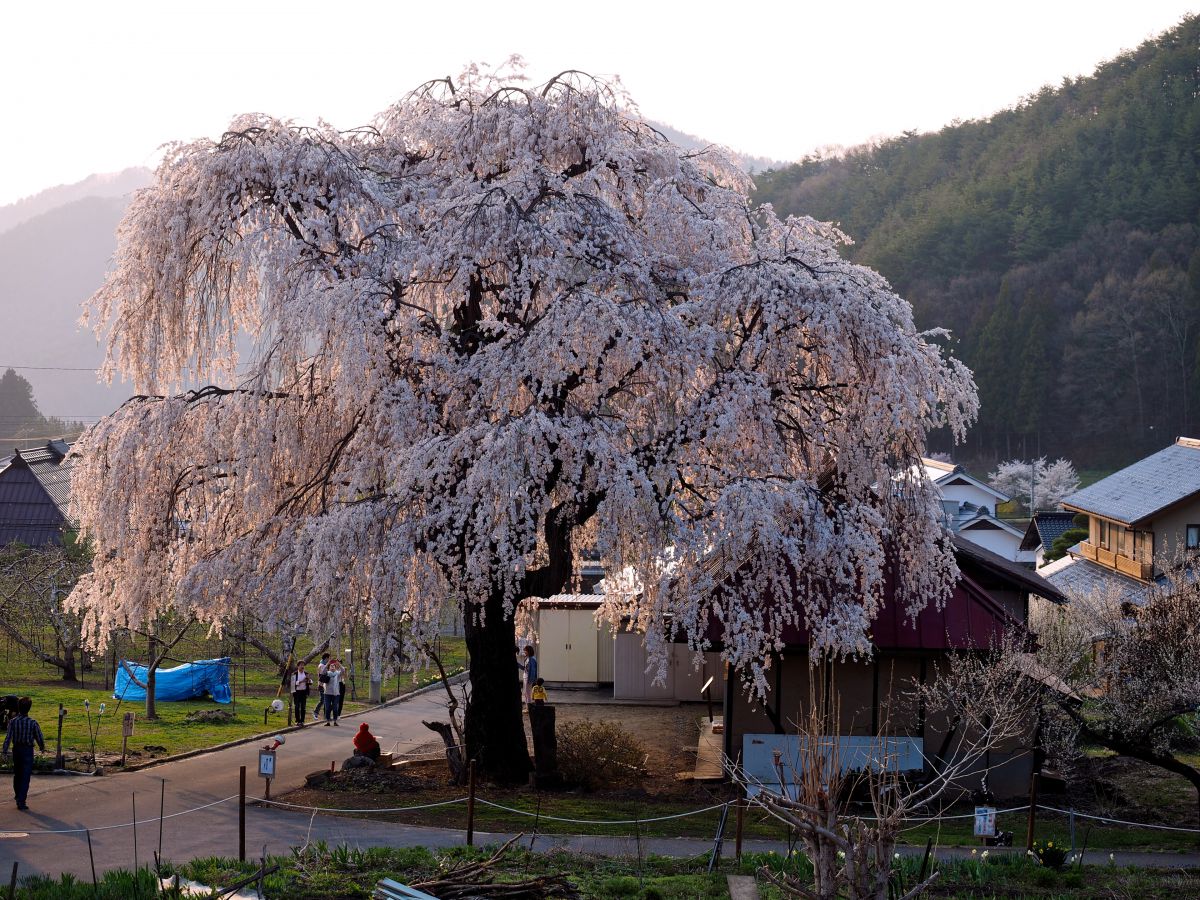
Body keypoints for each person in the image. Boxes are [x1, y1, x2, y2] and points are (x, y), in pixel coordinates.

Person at [2, 697, 44, 811]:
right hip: (27, 750)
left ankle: (17, 795)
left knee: (17, 774)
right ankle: (21, 800)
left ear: (18, 708)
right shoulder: (33, 723)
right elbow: (39, 737)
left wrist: (4, 751)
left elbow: (8, 738)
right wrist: (42, 747)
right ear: (29, 708)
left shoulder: (13, 722)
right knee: (26, 776)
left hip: (17, 749)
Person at [291, 662, 312, 726]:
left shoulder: (306, 673)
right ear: (298, 666)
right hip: (297, 692)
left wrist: (309, 680)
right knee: (297, 707)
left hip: (304, 692)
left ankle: (302, 721)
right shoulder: (294, 674)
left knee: (303, 707)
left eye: (303, 665)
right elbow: (292, 684)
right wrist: (301, 681)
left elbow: (310, 682)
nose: (302, 667)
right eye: (301, 665)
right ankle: (297, 721)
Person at [323, 659, 343, 726]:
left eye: (333, 666)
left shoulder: (338, 674)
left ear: (335, 667)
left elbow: (343, 670)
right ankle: (328, 721)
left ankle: (335, 721)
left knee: (335, 708)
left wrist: (338, 664)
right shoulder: (327, 673)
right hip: (327, 693)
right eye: (331, 666)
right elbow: (323, 671)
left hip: (336, 694)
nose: (332, 667)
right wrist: (327, 663)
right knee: (327, 708)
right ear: (329, 667)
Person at [314, 652, 331, 720]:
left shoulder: (324, 665)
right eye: (328, 658)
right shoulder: (321, 665)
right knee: (322, 700)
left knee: (326, 701)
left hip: (325, 685)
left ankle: (326, 715)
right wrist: (327, 665)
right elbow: (322, 673)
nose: (328, 660)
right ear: (326, 658)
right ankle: (315, 712)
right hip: (321, 685)